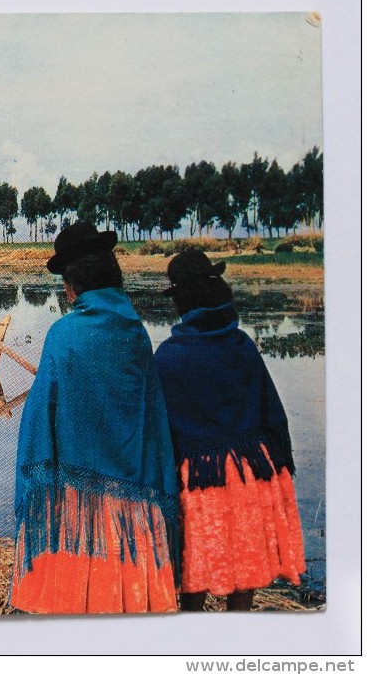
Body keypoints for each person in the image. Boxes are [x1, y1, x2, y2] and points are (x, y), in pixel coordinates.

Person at [10, 222, 180, 614]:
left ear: (72, 287)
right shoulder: (136, 333)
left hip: (75, 503)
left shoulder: (64, 334)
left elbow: (40, 418)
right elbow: (150, 412)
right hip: (133, 498)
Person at [154, 249, 306, 612]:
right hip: (253, 478)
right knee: (245, 580)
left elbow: (160, 433)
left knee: (193, 579)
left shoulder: (170, 357)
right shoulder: (242, 345)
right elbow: (271, 415)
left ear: (182, 301)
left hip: (201, 486)